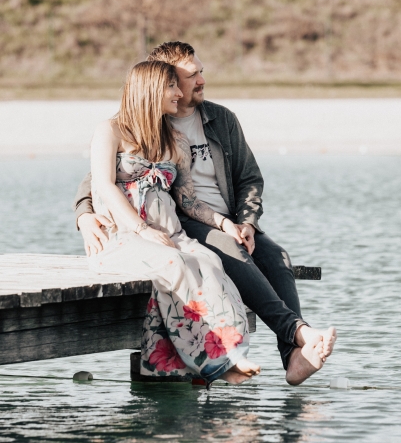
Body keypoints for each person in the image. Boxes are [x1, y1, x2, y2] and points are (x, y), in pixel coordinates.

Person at [75, 42, 336, 385]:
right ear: (161, 81)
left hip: (222, 219)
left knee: (277, 258)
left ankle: (293, 356)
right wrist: (84, 214)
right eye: (190, 75)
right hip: (182, 224)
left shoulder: (220, 120)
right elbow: (100, 180)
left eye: (201, 71)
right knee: (228, 253)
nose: (201, 80)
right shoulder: (144, 124)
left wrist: (245, 222)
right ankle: (289, 334)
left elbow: (249, 178)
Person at [88, 60, 260, 385]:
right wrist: (142, 229)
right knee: (175, 264)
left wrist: (225, 224)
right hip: (121, 238)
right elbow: (104, 186)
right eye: (171, 86)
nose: (179, 94)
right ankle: (215, 362)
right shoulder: (110, 131)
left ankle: (234, 351)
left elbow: (188, 200)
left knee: (210, 263)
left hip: (169, 235)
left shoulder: (175, 140)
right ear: (151, 89)